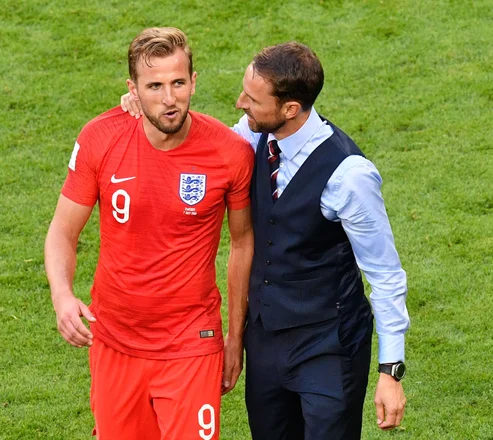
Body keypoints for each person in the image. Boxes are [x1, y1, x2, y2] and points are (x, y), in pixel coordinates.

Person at [122, 42, 409, 440]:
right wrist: (144, 107)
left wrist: (390, 372)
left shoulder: (350, 176)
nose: (240, 103)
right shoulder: (252, 136)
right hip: (265, 345)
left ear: (290, 109)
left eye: (252, 99)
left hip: (328, 347)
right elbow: (197, 140)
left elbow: (386, 274)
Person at [45, 27, 254, 440]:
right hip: (114, 340)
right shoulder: (99, 138)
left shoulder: (230, 153)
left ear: (194, 81)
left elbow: (242, 243)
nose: (169, 98)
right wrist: (62, 296)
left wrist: (234, 336)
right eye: (154, 86)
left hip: (192, 342)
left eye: (178, 83)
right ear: (133, 89)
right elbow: (62, 232)